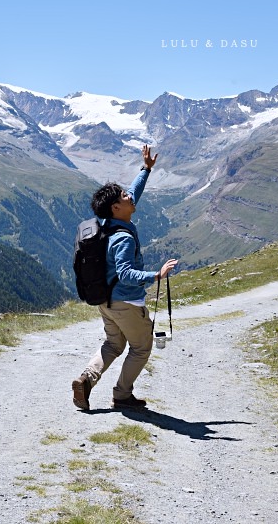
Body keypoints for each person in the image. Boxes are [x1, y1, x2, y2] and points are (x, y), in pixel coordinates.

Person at [72, 145, 178, 410]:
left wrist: (146, 169)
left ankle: (86, 379)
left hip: (105, 302)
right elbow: (126, 273)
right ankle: (121, 396)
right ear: (116, 207)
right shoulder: (123, 239)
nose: (131, 197)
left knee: (113, 343)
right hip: (126, 304)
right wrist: (156, 274)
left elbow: (134, 192)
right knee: (141, 347)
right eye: (124, 196)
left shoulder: (108, 225)